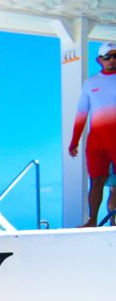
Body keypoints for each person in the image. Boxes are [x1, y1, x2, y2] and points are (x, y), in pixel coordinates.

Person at [68, 42, 116, 227]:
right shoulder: (91, 82)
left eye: (115, 56)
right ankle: (92, 221)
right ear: (99, 60)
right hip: (96, 143)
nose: (112, 60)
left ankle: (114, 222)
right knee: (96, 182)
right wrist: (74, 141)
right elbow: (82, 111)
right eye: (108, 56)